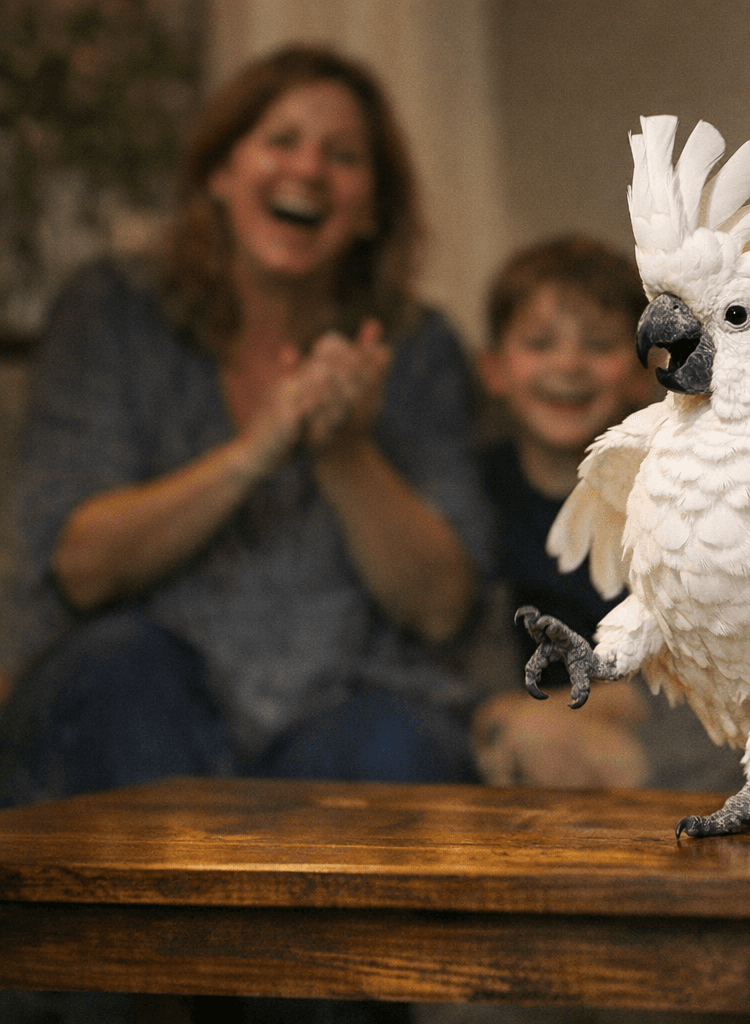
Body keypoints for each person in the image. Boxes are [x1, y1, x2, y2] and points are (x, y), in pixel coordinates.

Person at [0, 44, 494, 813]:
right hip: (136, 696)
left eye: (343, 156)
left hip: (348, 703)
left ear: (371, 211)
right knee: (122, 670)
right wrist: (257, 450)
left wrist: (345, 454)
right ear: (219, 174)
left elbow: (439, 607)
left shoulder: (418, 345)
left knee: (407, 742)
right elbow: (81, 567)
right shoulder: (112, 309)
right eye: (281, 140)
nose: (309, 170)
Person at [469, 235, 741, 793]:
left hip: (664, 714)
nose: (569, 365)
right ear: (494, 370)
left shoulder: (673, 485)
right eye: (540, 343)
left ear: (645, 371)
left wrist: (586, 710)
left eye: (598, 345)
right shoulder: (480, 488)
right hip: (528, 713)